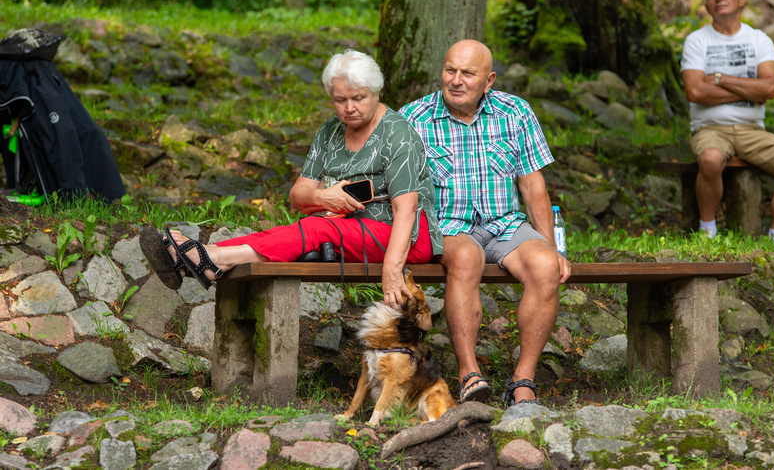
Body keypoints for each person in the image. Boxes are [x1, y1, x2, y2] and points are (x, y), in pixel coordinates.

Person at [140, 50, 443, 306]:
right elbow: (298, 196)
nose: (349, 108)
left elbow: (407, 210)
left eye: (358, 98)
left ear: (377, 93)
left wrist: (391, 271)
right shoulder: (330, 131)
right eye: (340, 100)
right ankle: (196, 261)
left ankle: (203, 256)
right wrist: (323, 197)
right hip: (351, 227)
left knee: (315, 229)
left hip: (408, 237)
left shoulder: (398, 133)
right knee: (293, 231)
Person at [400, 40, 571, 407]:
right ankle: (469, 374)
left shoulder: (516, 112)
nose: (456, 80)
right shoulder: (414, 118)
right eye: (450, 70)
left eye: (467, 73)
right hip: (448, 225)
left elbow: (532, 185)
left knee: (545, 267)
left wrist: (552, 247)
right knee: (465, 258)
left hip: (505, 224)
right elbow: (400, 192)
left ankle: (523, 381)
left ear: (488, 80)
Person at [681, 0, 774, 241]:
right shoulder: (696, 41)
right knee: (711, 159)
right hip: (710, 128)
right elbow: (694, 91)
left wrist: (719, 79)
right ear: (706, 5)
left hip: (752, 130)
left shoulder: (759, 40)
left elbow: (769, 89)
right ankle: (707, 232)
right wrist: (750, 91)